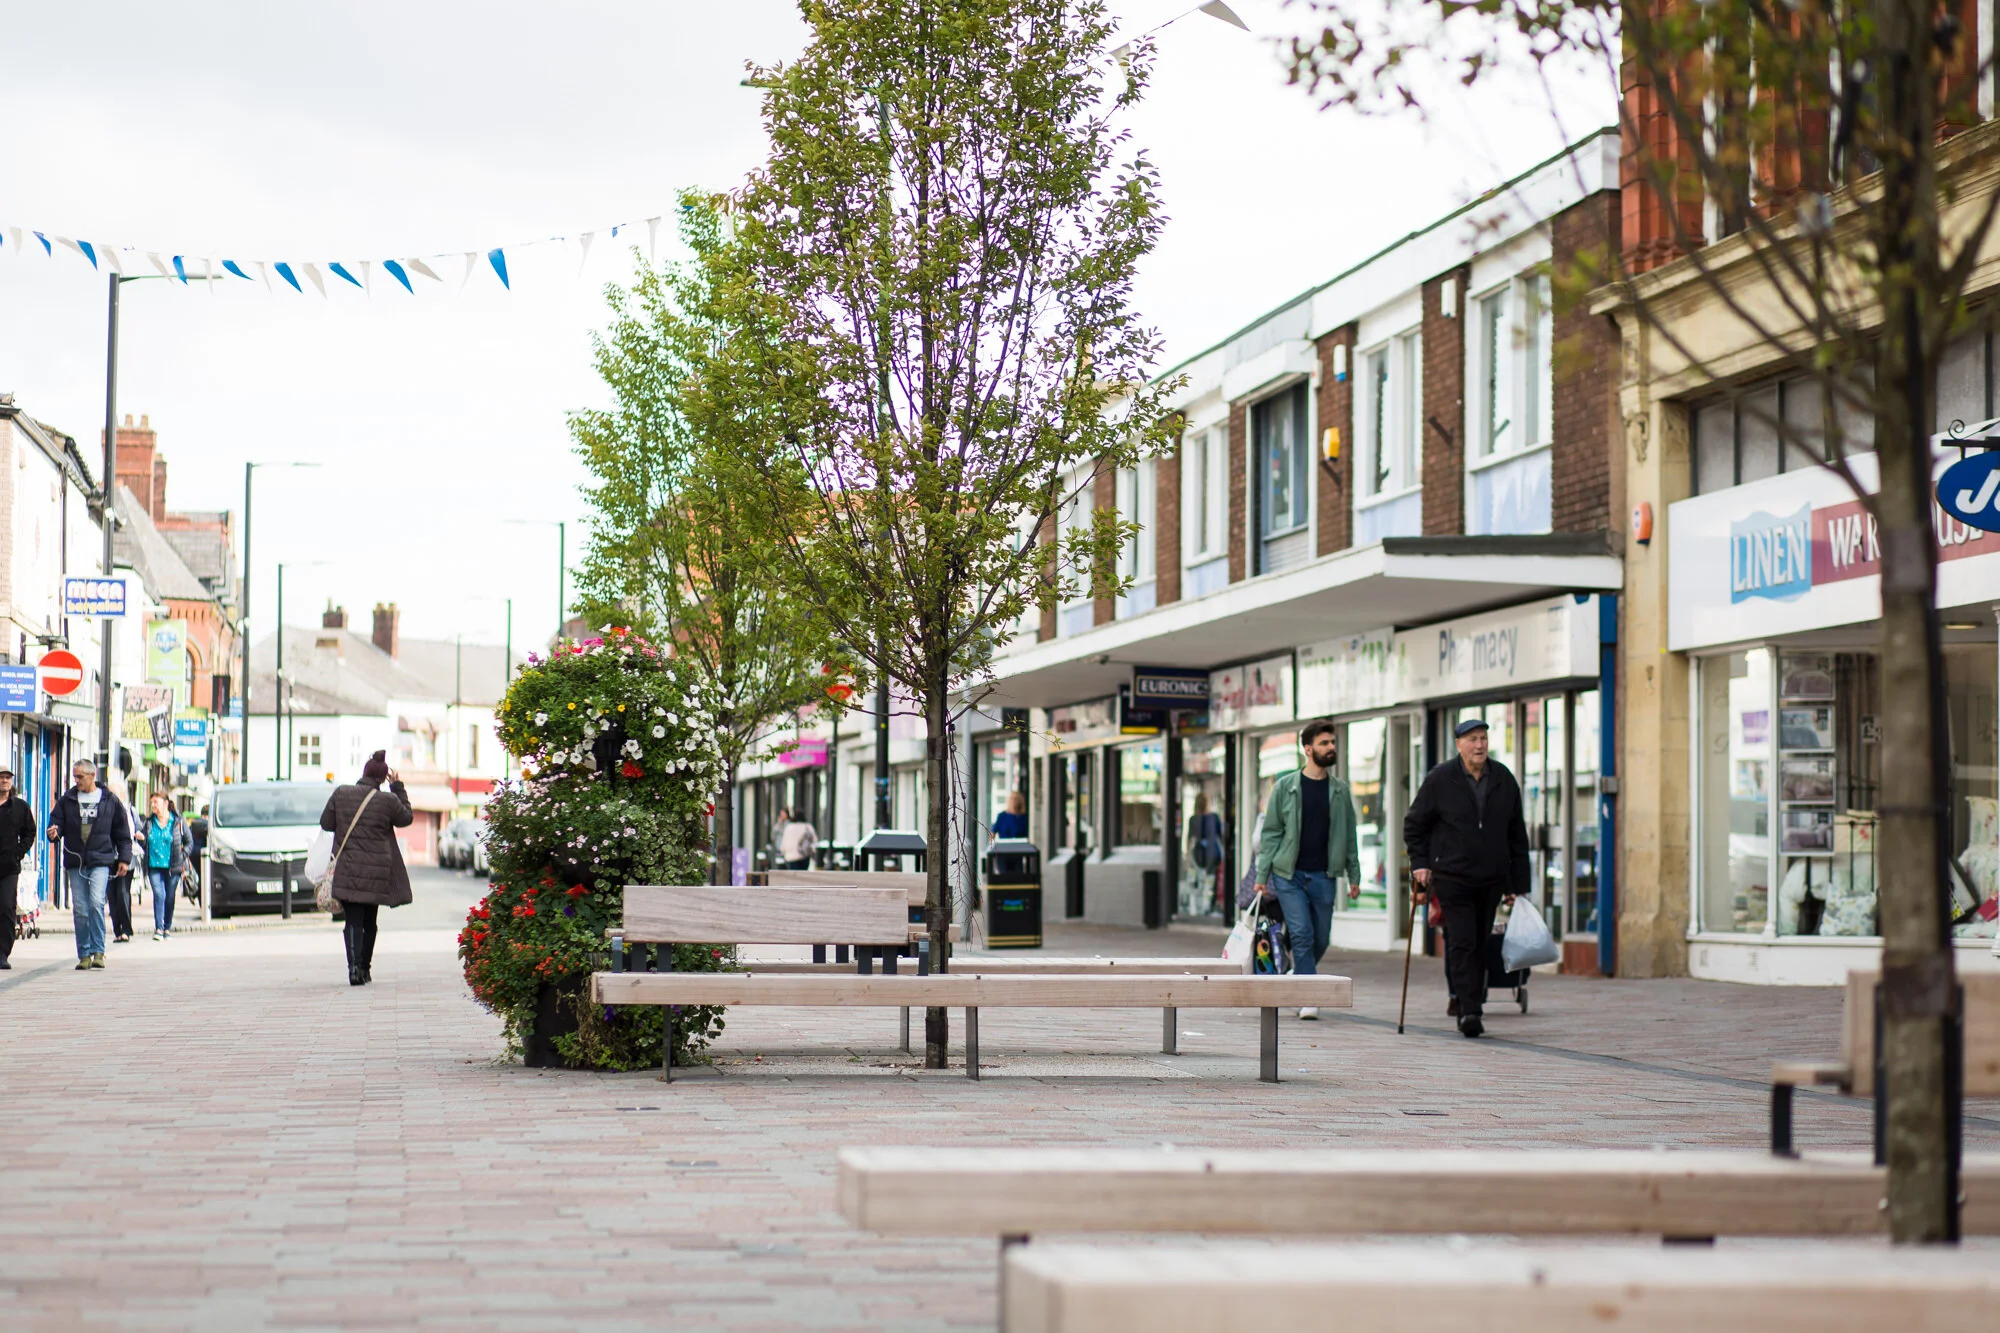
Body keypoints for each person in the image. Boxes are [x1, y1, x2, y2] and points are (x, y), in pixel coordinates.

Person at [1403, 717, 1530, 1039]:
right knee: (1461, 941)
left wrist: (1518, 885)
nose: (1480, 745)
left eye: (1484, 738)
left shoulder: (1502, 778)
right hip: (1452, 876)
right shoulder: (1441, 779)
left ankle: (1469, 999)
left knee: (1481, 942)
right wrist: (1420, 863)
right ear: (1458, 744)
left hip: (1491, 877)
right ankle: (1470, 1010)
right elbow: (1414, 825)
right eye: (1472, 739)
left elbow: (1517, 834)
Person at [1252, 719, 1361, 1020]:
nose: (1331, 748)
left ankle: (1300, 972)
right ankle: (1308, 996)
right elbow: (1271, 834)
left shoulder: (1339, 791)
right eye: (1325, 743)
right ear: (1308, 749)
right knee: (1301, 934)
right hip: (1290, 875)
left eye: (1333, 743)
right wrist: (1262, 877)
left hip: (1325, 875)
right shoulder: (1285, 787)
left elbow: (1349, 834)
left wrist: (1354, 875)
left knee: (1321, 938)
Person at [319, 750, 415, 986]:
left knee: (352, 920)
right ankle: (364, 968)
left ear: (363, 772)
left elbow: (326, 823)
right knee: (369, 922)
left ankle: (353, 969)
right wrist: (398, 787)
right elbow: (407, 818)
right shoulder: (388, 801)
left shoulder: (341, 793)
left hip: (348, 870)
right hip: (376, 873)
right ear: (383, 779)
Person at [48, 759, 132, 971]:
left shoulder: (109, 800)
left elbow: (122, 832)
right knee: (81, 909)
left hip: (101, 859)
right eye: (74, 777)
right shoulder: (67, 800)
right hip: (76, 861)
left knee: (96, 903)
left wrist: (124, 858)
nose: (76, 781)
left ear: (92, 776)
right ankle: (84, 954)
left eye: (80, 777)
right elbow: (55, 823)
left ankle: (98, 951)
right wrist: (53, 832)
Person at [142, 793, 192, 940]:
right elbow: (144, 843)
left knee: (170, 897)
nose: (153, 806)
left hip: (173, 867)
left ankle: (167, 928)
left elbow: (189, 842)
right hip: (153, 866)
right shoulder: (149, 822)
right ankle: (159, 928)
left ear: (165, 803)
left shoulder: (177, 821)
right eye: (151, 803)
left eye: (155, 802)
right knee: (159, 894)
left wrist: (182, 857)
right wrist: (141, 839)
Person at [0, 768, 35, 970]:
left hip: (9, 866)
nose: (4, 781)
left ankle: (3, 952)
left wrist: (18, 852)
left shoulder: (20, 807)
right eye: (1, 777)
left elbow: (30, 832)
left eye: (7, 778)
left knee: (6, 908)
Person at [1184, 792, 1224, 914]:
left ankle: (1195, 908)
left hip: (1197, 854)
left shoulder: (1193, 819)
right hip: (1211, 854)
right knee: (1209, 881)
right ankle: (1207, 906)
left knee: (1196, 882)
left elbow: (1189, 840)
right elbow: (1220, 836)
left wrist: (1188, 858)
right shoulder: (1214, 817)